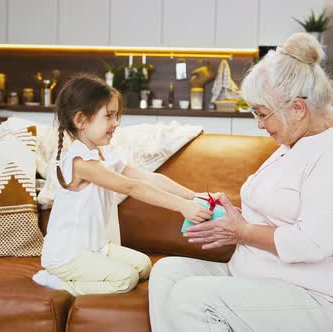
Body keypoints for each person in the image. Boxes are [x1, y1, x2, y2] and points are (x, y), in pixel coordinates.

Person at [148, 32, 333, 332]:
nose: (259, 124)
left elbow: (313, 243)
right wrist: (231, 219)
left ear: (298, 108)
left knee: (191, 298)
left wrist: (242, 232)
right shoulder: (294, 143)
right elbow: (275, 215)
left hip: (317, 294)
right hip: (258, 275)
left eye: (263, 113)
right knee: (166, 272)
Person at [32, 74, 213, 296]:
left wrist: (193, 196)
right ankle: (56, 282)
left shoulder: (104, 154)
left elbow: (147, 178)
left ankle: (79, 275)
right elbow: (131, 187)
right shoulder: (80, 163)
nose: (116, 123)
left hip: (96, 249)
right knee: (126, 278)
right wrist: (182, 207)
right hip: (68, 255)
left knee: (144, 266)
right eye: (108, 116)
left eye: (116, 116)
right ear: (81, 120)